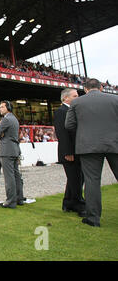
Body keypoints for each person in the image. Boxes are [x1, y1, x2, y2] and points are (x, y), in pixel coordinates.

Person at [65, 78, 118, 227]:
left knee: (92, 181)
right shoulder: (115, 99)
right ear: (101, 87)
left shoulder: (76, 102)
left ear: (85, 89)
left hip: (88, 146)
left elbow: (69, 125)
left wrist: (85, 132)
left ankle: (93, 218)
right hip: (114, 143)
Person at [53, 88, 86, 217]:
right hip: (69, 151)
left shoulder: (73, 110)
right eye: (75, 96)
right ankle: (80, 205)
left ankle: (68, 203)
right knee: (76, 179)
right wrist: (68, 152)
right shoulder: (61, 111)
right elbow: (62, 133)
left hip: (77, 150)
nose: (77, 97)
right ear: (65, 98)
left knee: (75, 178)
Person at [0, 101, 24, 208]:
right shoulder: (14, 118)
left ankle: (10, 201)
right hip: (14, 149)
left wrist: (0, 134)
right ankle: (19, 198)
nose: (0, 109)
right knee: (16, 175)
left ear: (8, 108)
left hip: (6, 150)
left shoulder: (5, 119)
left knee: (9, 177)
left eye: (2, 107)